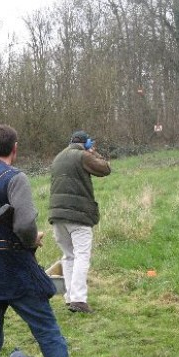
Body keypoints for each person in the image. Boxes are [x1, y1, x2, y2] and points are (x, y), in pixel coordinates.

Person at [0, 124, 77, 357]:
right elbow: (25, 225)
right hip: (16, 270)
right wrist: (32, 240)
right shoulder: (16, 178)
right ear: (15, 149)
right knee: (47, 333)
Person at [48, 131, 111, 313]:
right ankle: (79, 299)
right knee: (82, 255)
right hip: (78, 215)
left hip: (56, 214)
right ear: (85, 143)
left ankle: (70, 298)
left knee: (69, 257)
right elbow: (105, 169)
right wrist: (93, 152)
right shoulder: (83, 155)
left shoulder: (58, 157)